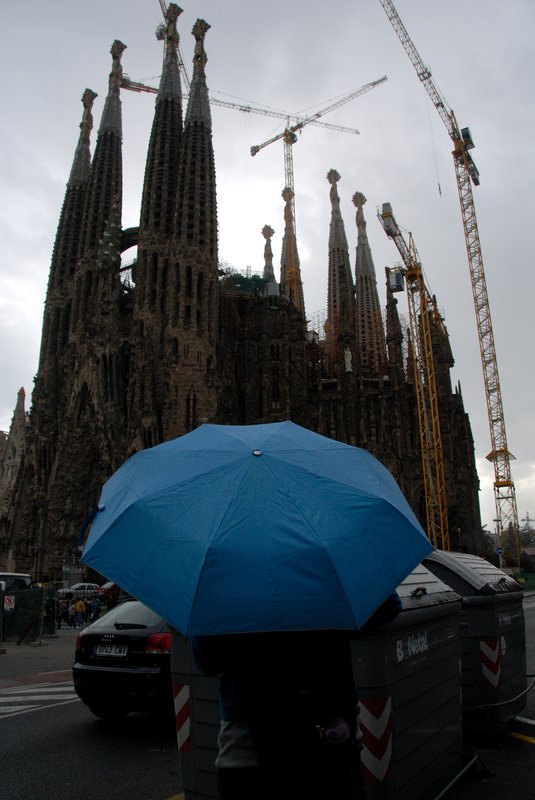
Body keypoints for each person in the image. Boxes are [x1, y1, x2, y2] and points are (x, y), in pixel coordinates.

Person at [192, 592, 402, 800]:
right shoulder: (324, 568)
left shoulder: (226, 579)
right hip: (331, 738)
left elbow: (207, 661)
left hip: (248, 749)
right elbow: (388, 606)